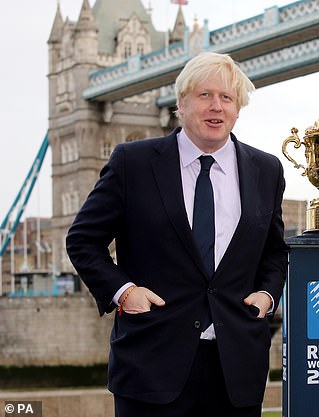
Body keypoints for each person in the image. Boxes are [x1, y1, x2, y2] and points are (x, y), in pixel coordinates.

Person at [66, 52, 288, 417]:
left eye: (227, 98)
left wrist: (266, 296)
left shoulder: (266, 170)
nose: (216, 106)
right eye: (204, 95)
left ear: (237, 108)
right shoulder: (132, 163)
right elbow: (82, 241)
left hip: (236, 369)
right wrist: (124, 293)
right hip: (150, 365)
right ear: (181, 103)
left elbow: (275, 252)